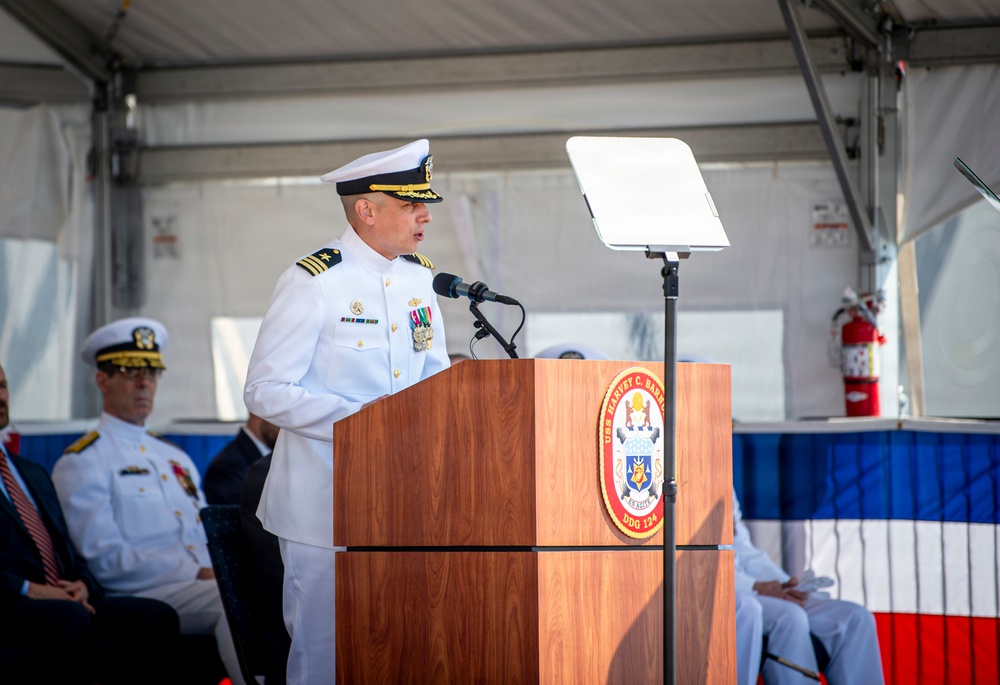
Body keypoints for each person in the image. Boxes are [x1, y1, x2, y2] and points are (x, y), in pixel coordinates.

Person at [244, 138, 451, 684]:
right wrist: (362, 424)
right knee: (324, 659)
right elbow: (264, 389)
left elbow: (436, 376)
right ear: (366, 210)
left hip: (406, 503)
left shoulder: (419, 279)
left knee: (400, 652)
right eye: (411, 205)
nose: (424, 215)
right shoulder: (314, 281)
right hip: (322, 509)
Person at [51, 317, 246, 685]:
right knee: (231, 601)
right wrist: (197, 572)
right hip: (139, 589)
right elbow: (104, 559)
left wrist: (212, 568)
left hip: (200, 582)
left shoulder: (173, 456)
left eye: (152, 373)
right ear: (102, 380)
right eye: (129, 371)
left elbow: (201, 535)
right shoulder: (82, 461)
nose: (144, 384)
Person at [0, 362, 181, 685]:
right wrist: (30, 589)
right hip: (10, 601)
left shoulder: (30, 471)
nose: (1, 395)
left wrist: (83, 583)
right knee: (69, 619)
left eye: (2, 385)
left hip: (62, 597)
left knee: (156, 617)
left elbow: (67, 548)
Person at [733, 488, 885, 685]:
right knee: (789, 616)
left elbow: (741, 550)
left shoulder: (720, 470)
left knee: (856, 618)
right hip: (720, 589)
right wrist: (755, 587)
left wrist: (782, 586)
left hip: (748, 584)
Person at [203, 412, 279, 504]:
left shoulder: (277, 459)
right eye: (283, 415)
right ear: (257, 412)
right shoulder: (228, 469)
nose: (291, 425)